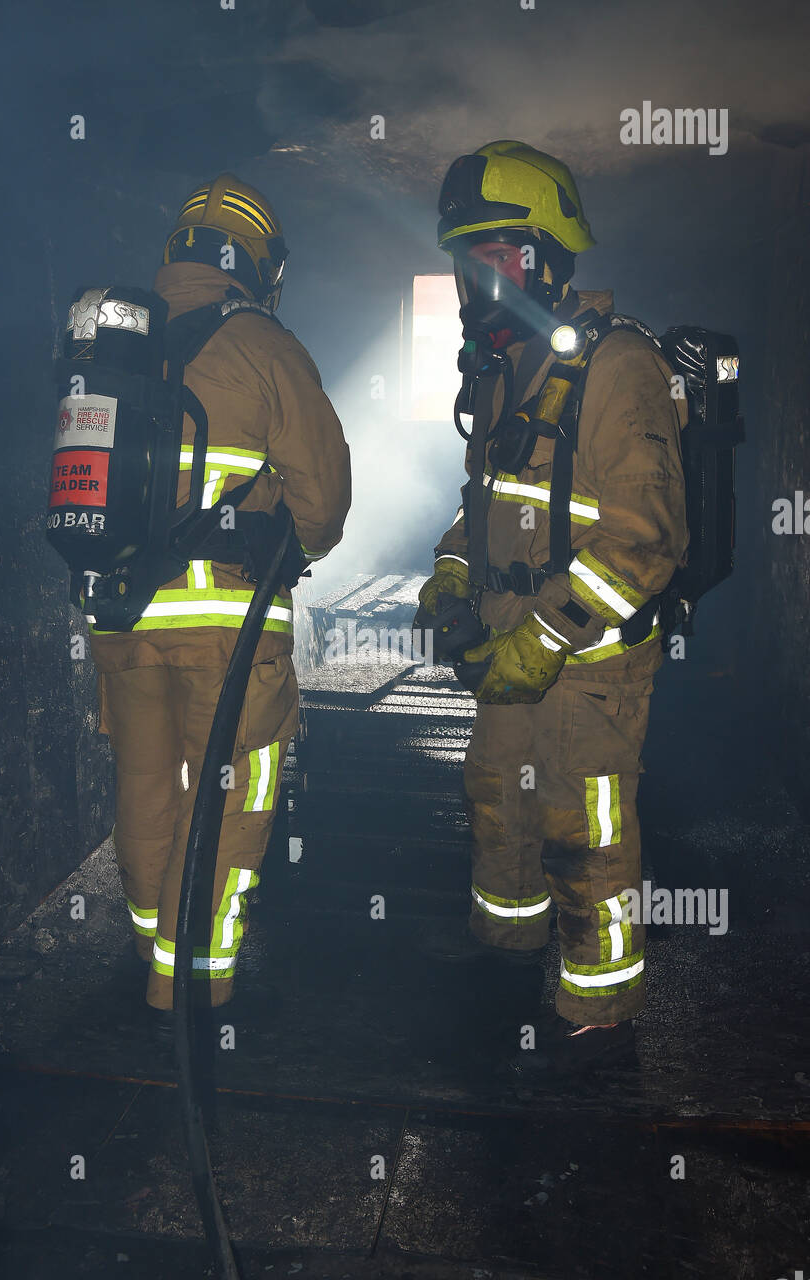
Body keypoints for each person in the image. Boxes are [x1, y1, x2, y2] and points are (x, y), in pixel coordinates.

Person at [416, 141, 688, 1075]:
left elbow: (647, 539)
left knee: (587, 829)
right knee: (498, 805)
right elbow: (485, 508)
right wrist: (452, 571)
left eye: (492, 259)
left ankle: (599, 1009)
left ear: (545, 259)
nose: (474, 281)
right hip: (508, 654)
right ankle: (507, 961)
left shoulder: (618, 368)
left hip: (590, 660)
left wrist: (545, 635)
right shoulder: (500, 372)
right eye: (466, 260)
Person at [88, 174, 351, 1014]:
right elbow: (324, 504)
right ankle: (191, 986)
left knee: (146, 789)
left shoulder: (118, 346)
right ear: (258, 263)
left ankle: (149, 952)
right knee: (230, 800)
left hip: (125, 622)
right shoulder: (264, 345)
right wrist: (282, 549)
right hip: (229, 632)